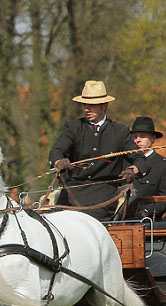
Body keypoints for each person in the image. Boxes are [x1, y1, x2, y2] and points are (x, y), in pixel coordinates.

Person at [48, 80, 150, 221]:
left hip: (104, 196)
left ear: (104, 106)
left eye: (92, 106)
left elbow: (141, 160)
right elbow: (56, 151)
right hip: (72, 193)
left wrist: (133, 170)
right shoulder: (73, 127)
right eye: (85, 105)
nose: (86, 109)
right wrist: (59, 161)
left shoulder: (120, 131)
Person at [127, 116, 166, 219]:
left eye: (142, 136)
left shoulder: (165, 165)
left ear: (153, 138)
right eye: (135, 137)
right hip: (123, 217)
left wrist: (147, 211)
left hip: (149, 220)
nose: (137, 140)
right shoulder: (125, 162)